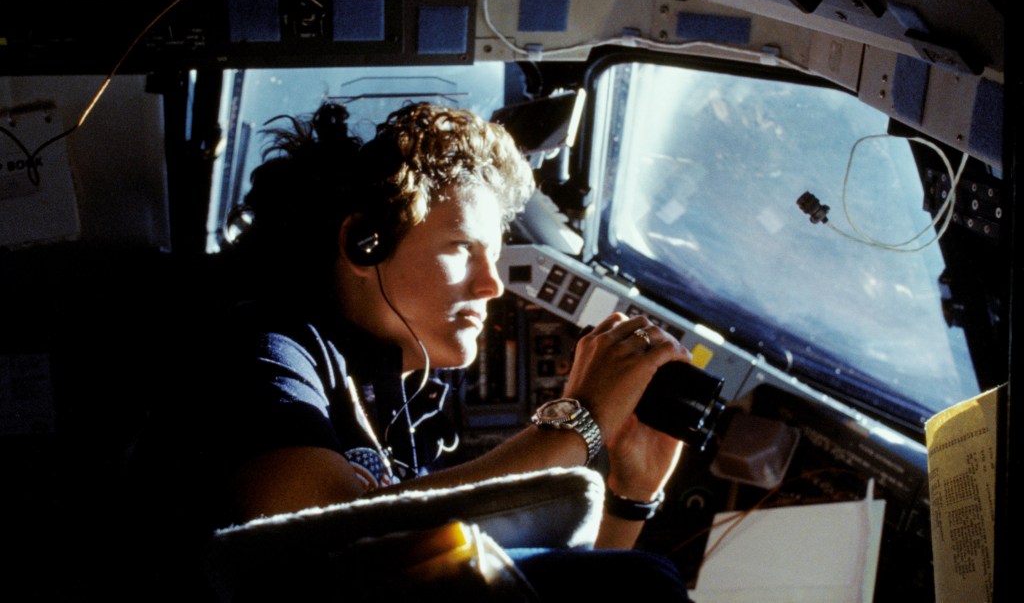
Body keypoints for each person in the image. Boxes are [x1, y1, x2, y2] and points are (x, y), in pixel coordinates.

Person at [136, 101, 692, 600]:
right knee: (644, 587)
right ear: (365, 244)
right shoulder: (262, 349)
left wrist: (631, 494)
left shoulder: (399, 404)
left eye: (493, 257)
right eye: (461, 249)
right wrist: (579, 424)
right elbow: (309, 542)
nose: (491, 285)